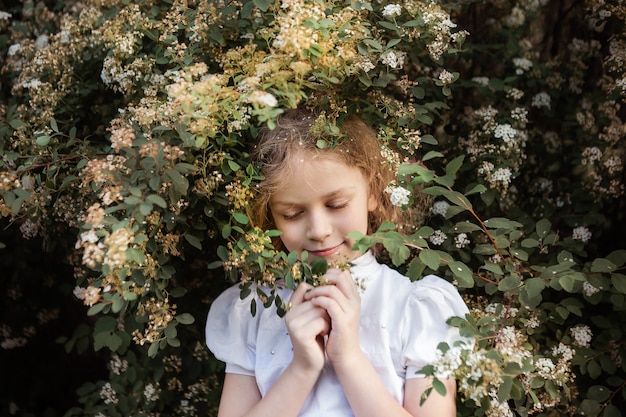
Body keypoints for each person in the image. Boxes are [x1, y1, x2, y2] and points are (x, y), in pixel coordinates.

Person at [206, 108, 470, 417]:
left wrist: (348, 359)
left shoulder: (414, 309)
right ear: (270, 215)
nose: (319, 230)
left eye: (336, 204)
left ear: (372, 191)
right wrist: (302, 369)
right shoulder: (255, 309)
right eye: (292, 213)